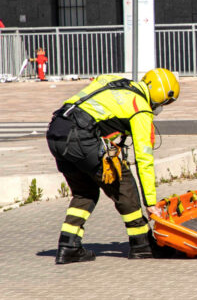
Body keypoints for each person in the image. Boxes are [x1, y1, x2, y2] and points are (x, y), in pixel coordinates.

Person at [46, 68, 180, 264]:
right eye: (164, 104)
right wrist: (150, 203)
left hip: (56, 131)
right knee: (123, 184)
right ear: (161, 99)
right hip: (80, 137)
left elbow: (99, 108)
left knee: (85, 192)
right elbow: (144, 159)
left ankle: (68, 246)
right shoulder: (141, 108)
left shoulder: (115, 81)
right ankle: (142, 244)